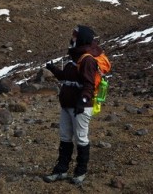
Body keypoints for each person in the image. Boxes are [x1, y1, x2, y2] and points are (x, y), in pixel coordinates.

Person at [43, 24, 105, 185]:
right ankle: (61, 169)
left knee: (81, 138)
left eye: (75, 35)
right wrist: (53, 69)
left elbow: (89, 85)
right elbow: (66, 77)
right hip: (67, 105)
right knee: (65, 137)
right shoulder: (75, 57)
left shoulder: (87, 60)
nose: (72, 37)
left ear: (82, 38)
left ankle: (80, 171)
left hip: (81, 107)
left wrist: (83, 101)